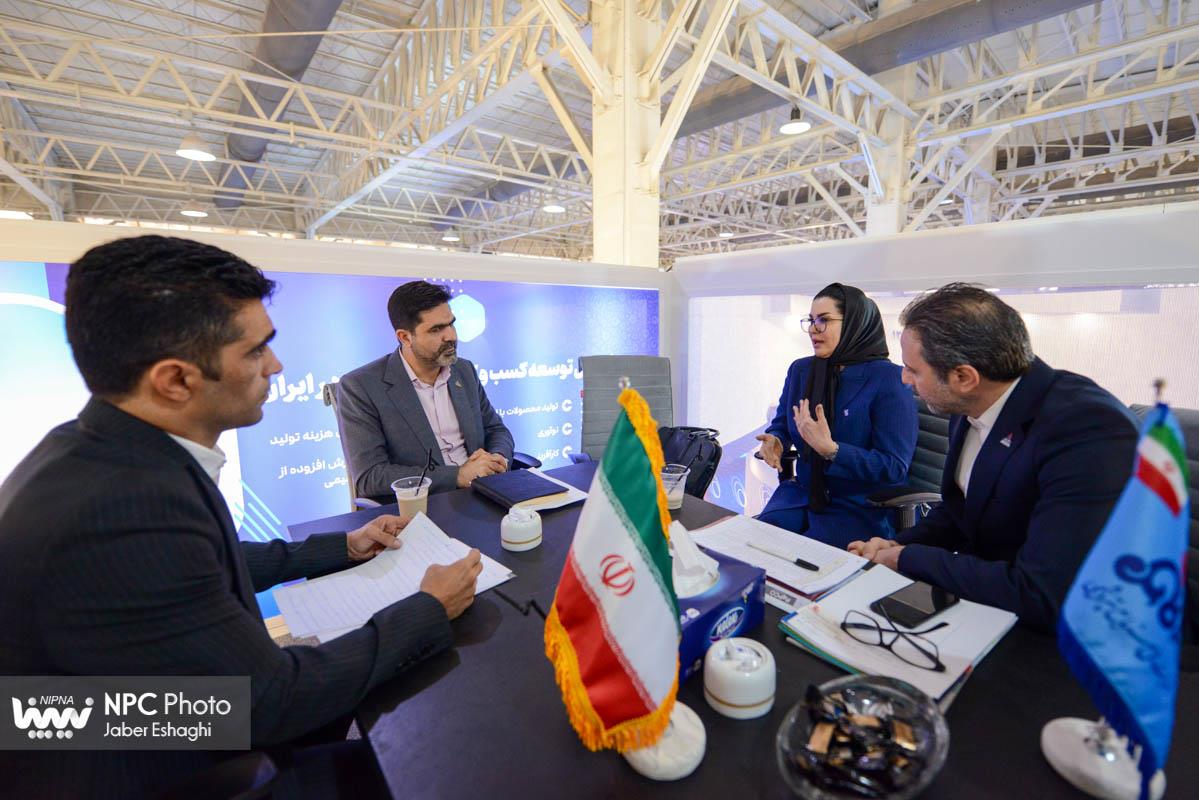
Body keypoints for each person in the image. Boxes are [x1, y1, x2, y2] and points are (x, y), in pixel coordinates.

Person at [0, 236, 482, 799]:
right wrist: (427, 609)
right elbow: (267, 703)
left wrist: (343, 547)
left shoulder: (108, 453)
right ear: (174, 379)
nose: (276, 365)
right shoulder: (125, 507)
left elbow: (195, 563)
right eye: (256, 352)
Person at [849, 283, 1139, 632]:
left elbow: (1040, 591)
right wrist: (899, 543)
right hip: (989, 598)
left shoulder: (1088, 430)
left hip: (1072, 630)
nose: (904, 378)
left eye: (914, 369)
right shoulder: (970, 402)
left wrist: (906, 558)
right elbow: (962, 511)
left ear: (963, 377)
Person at [756, 283, 917, 548]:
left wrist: (832, 451)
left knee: (801, 563)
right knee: (753, 547)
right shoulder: (801, 370)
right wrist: (776, 440)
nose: (813, 329)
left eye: (824, 320)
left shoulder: (888, 379)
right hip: (801, 496)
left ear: (854, 323)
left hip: (856, 508)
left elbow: (893, 467)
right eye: (811, 320)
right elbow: (783, 423)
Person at [336, 280, 514, 502]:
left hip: (483, 492)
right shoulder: (360, 386)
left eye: (451, 324)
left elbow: (496, 429)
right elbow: (370, 476)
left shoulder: (463, 371)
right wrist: (457, 476)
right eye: (436, 329)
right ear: (405, 337)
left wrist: (497, 458)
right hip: (424, 504)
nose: (451, 336)